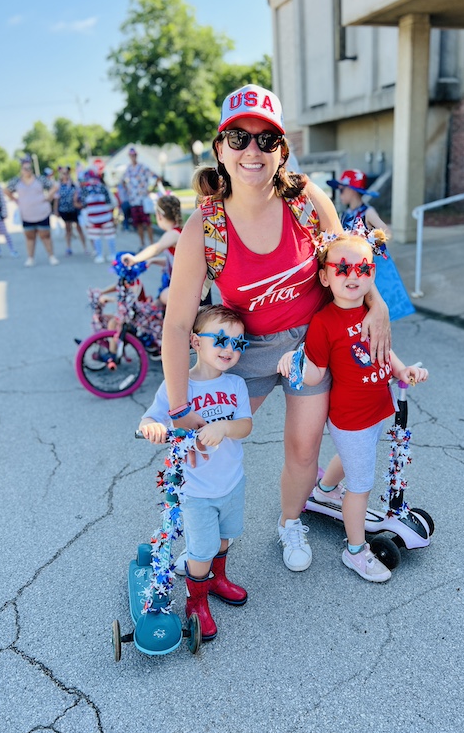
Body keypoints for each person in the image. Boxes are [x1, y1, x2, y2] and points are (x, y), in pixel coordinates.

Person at [161, 84, 391, 574]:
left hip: (313, 344)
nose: (252, 151)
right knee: (208, 444)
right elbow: (179, 322)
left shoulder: (307, 201)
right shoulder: (207, 225)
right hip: (244, 349)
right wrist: (180, 407)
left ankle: (291, 521)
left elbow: (349, 262)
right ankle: (202, 540)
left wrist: (378, 305)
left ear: (281, 151)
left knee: (305, 447)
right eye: (239, 138)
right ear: (220, 149)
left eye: (267, 140)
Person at [277, 230, 428, 581]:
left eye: (362, 269)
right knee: (361, 486)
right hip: (351, 417)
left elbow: (383, 351)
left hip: (376, 409)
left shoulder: (371, 313)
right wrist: (293, 361)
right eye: (342, 269)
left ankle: (325, 489)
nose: (353, 276)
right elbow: (315, 375)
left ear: (372, 274)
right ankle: (356, 550)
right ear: (325, 276)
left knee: (355, 457)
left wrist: (402, 369)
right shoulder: (324, 322)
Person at [139, 304, 253, 640]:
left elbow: (245, 424)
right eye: (219, 339)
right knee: (200, 551)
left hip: (232, 482)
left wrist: (224, 427)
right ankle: (196, 601)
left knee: (225, 537)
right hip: (196, 491)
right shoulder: (178, 386)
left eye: (237, 343)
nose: (229, 349)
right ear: (194, 341)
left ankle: (217, 580)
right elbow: (151, 417)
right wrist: (152, 428)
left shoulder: (235, 385)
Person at [120, 195, 183, 306]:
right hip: (182, 284)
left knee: (160, 302)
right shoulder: (175, 232)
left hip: (186, 287)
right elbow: (175, 261)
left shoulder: (173, 233)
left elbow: (156, 248)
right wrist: (153, 261)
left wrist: (135, 259)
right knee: (156, 306)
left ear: (159, 216)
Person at [5, 157, 59, 267]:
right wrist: (14, 199)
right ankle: (30, 258)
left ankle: (51, 256)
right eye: (25, 168)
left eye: (29, 168)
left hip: (42, 212)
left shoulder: (40, 179)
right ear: (21, 169)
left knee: (45, 236)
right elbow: (6, 190)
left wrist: (49, 196)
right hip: (26, 214)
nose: (27, 170)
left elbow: (54, 187)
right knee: (29, 237)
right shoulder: (16, 181)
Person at [327, 169, 390, 234]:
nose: (340, 195)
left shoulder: (368, 212)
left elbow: (387, 233)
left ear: (352, 190)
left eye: (341, 190)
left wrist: (369, 242)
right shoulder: (346, 213)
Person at [76, 169, 116, 264]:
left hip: (93, 218)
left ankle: (100, 255)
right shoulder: (102, 187)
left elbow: (84, 204)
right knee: (109, 236)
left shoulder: (85, 189)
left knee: (96, 237)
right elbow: (109, 201)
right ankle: (113, 254)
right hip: (105, 216)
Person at [122, 147, 157, 247]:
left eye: (134, 155)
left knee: (147, 223)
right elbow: (123, 181)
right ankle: (142, 244)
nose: (133, 157)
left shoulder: (143, 167)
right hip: (134, 201)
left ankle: (151, 244)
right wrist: (128, 190)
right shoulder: (128, 169)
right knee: (138, 224)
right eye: (131, 155)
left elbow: (156, 177)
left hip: (143, 200)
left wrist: (150, 190)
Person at [54, 165, 87, 255]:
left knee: (79, 228)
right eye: (64, 173)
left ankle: (85, 247)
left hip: (74, 209)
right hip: (64, 209)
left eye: (67, 173)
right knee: (67, 229)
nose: (66, 175)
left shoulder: (73, 184)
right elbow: (57, 199)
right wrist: (55, 210)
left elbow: (79, 195)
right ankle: (68, 247)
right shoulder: (59, 185)